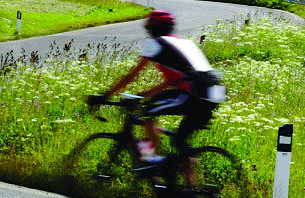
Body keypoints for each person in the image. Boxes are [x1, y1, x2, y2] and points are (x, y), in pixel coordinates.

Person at [88, 10, 226, 174]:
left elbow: (131, 76)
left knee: (147, 111)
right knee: (181, 144)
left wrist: (106, 95)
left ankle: (151, 159)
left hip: (194, 92)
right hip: (214, 93)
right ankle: (192, 191)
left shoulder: (156, 43)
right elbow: (171, 81)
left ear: (150, 29)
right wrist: (141, 95)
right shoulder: (183, 43)